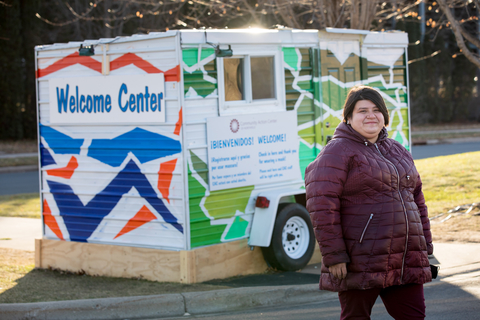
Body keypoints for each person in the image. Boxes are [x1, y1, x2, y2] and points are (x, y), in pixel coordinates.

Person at [305, 86, 433, 320]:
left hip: (404, 257)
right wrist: (334, 255)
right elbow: (322, 206)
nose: (370, 115)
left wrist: (426, 245)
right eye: (362, 110)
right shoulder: (336, 152)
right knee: (356, 317)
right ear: (349, 118)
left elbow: (417, 201)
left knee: (414, 316)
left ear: (384, 116)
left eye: (376, 110)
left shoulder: (397, 150)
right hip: (361, 259)